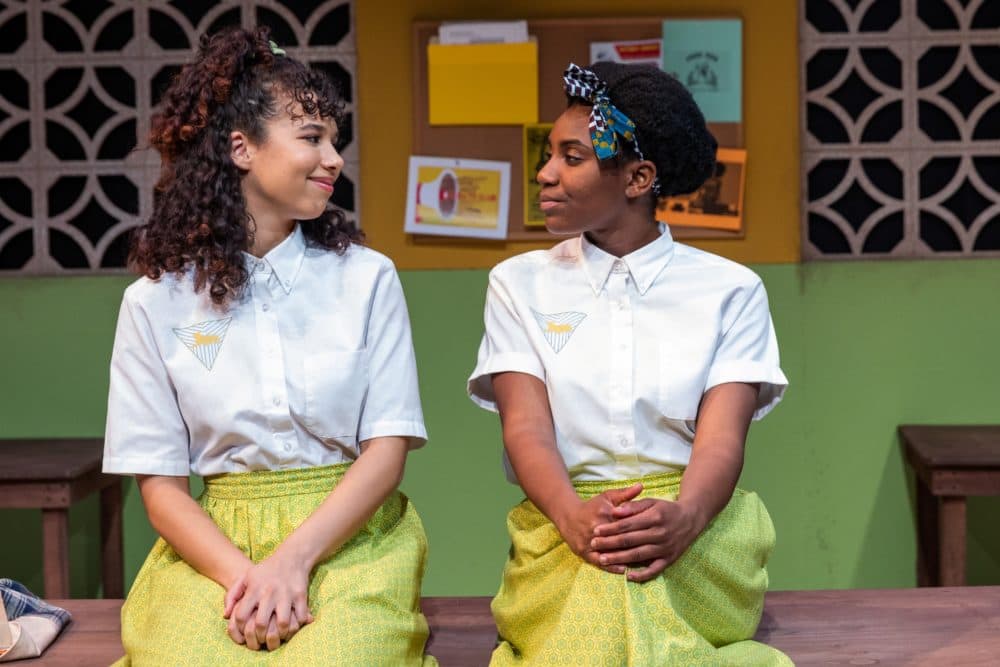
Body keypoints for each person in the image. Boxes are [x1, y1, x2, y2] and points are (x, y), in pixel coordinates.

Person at [103, 26, 435, 666]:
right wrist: (247, 577)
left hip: (352, 542)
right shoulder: (153, 302)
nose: (334, 158)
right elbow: (162, 488)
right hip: (213, 549)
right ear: (241, 149)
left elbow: (387, 450)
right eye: (312, 137)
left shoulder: (368, 279)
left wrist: (293, 561)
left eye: (335, 140)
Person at [467, 61, 792, 665]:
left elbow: (721, 442)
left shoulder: (731, 291)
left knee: (620, 619)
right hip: (561, 529)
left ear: (638, 177)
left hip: (697, 532)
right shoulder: (517, 284)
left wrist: (684, 518)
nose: (544, 174)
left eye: (571, 157)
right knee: (601, 623)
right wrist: (573, 518)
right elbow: (526, 429)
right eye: (548, 154)